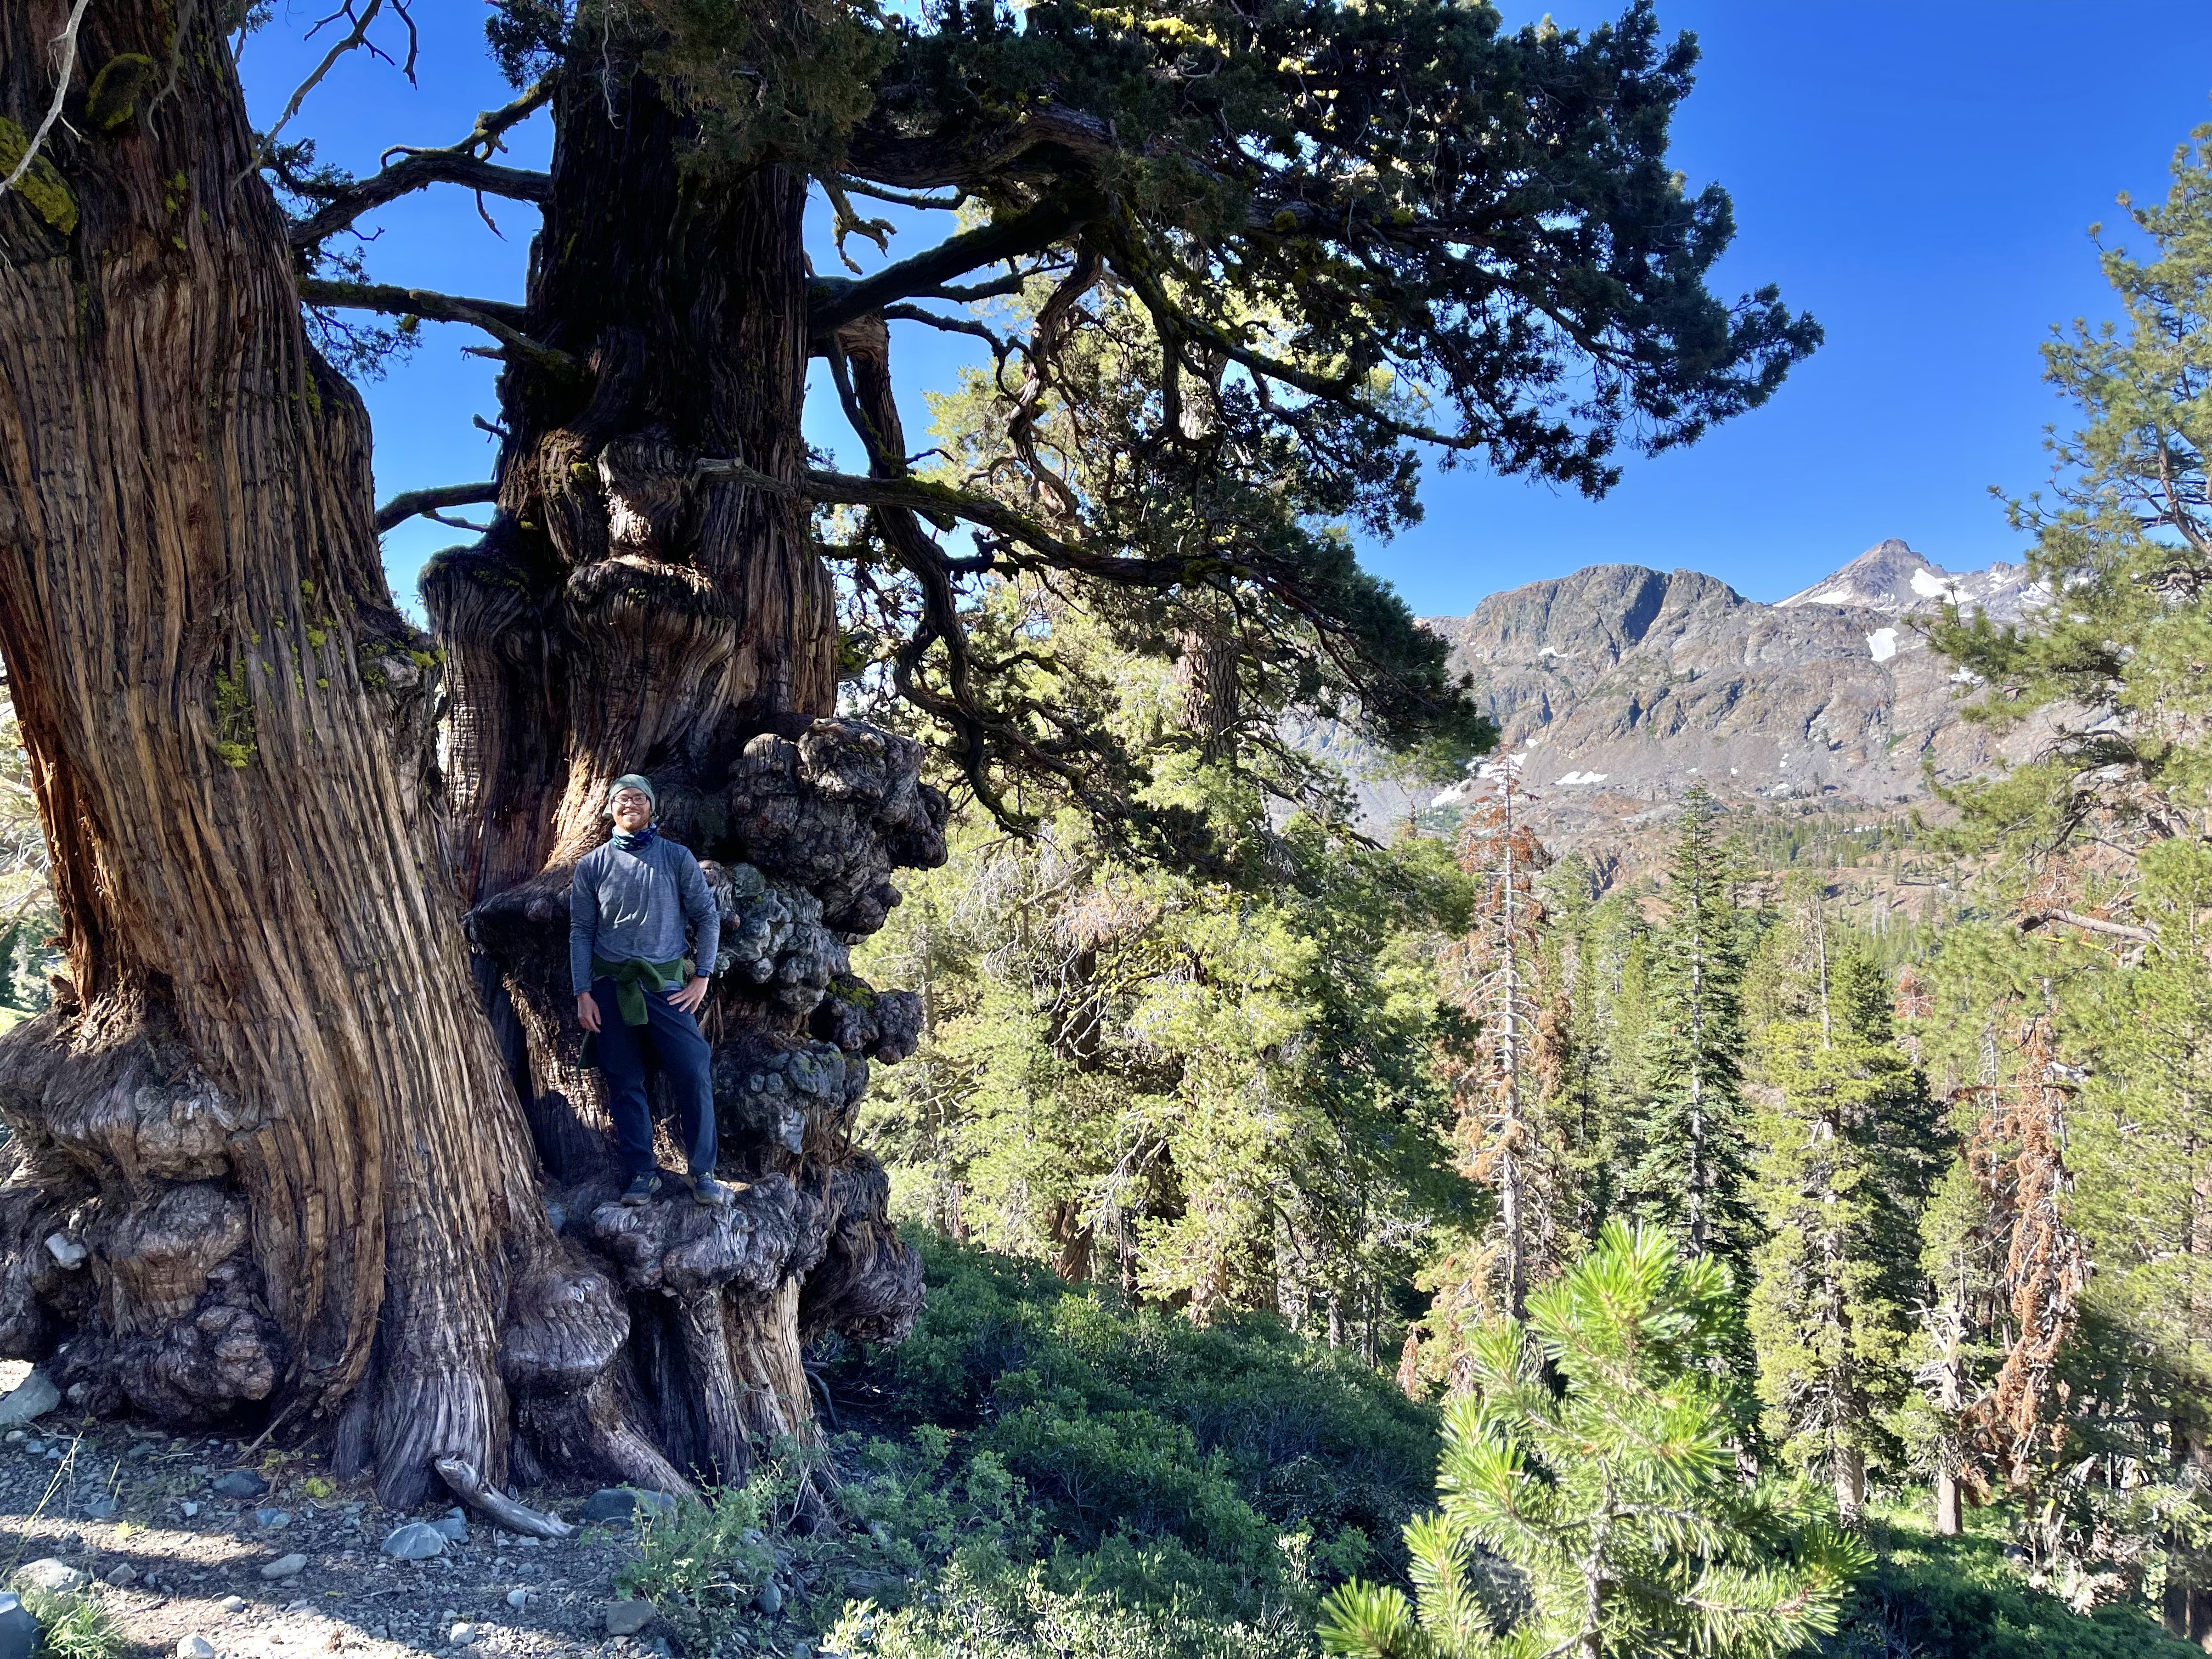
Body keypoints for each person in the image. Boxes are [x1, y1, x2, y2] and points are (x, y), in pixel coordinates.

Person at [571, 774, 732, 1207]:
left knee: (694, 1068)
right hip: (610, 987)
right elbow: (582, 930)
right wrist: (582, 991)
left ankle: (703, 1172)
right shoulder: (593, 865)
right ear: (610, 809)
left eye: (639, 799)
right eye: (622, 800)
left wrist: (702, 975)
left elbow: (708, 917)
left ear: (652, 807)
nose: (630, 805)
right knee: (623, 1079)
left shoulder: (676, 858)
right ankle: (643, 1173)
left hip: (667, 987)